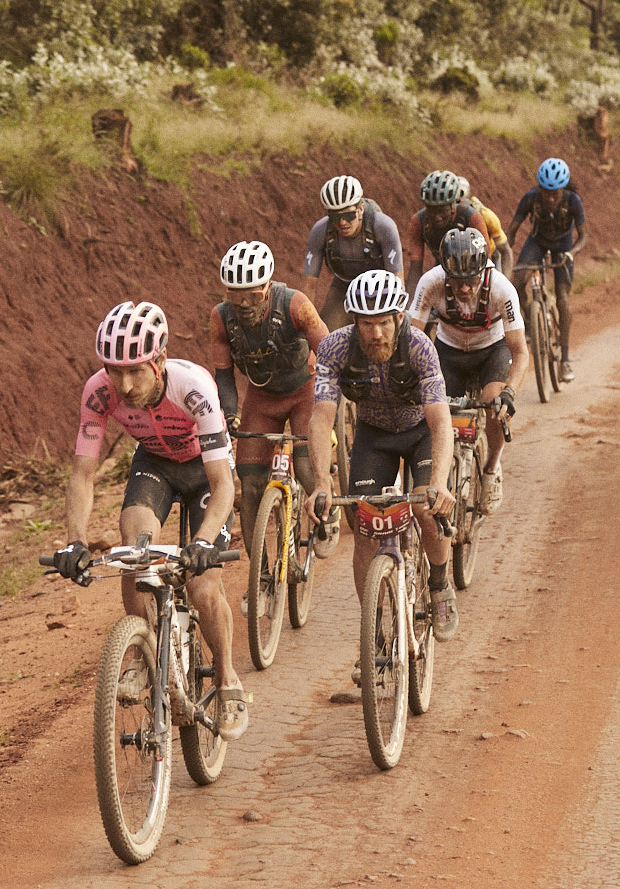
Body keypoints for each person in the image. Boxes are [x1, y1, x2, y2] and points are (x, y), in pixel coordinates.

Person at [61, 300, 249, 739]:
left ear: (159, 361)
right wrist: (75, 540)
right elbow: (82, 474)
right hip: (156, 465)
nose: (124, 385)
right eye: (114, 371)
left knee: (202, 586)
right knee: (134, 549)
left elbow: (223, 484)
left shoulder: (194, 387)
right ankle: (144, 651)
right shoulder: (98, 392)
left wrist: (203, 543)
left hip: (205, 471)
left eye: (135, 371)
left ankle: (227, 679)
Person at [304, 270, 458, 643]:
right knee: (366, 528)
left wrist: (439, 482)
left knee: (426, 508)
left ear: (399, 318)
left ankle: (440, 585)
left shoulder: (420, 347)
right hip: (374, 436)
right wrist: (322, 482)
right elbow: (321, 417)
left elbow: (441, 422)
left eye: (384, 323)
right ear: (354, 321)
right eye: (367, 324)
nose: (376, 333)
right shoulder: (335, 348)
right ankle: (373, 635)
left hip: (420, 432)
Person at [208, 239, 327, 550]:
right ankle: (259, 572)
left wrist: (330, 402)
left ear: (268, 287)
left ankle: (328, 514)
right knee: (249, 485)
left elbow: (329, 354)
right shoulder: (220, 318)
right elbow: (223, 375)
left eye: (253, 295)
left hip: (304, 391)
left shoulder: (295, 304)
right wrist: (229, 413)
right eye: (235, 295)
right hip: (262, 399)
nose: (244, 303)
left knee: (305, 468)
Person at [410, 227, 528, 514]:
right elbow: (411, 339)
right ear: (445, 273)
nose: (464, 289)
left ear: (483, 272)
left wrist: (510, 393)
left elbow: (520, 352)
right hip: (448, 351)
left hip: (492, 350)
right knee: (433, 411)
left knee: (494, 405)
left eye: (471, 280)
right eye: (456, 281)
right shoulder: (431, 282)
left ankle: (491, 469)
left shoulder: (502, 289)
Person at [506, 157, 587, 382]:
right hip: (537, 243)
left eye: (555, 193)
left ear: (563, 190)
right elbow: (512, 230)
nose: (550, 198)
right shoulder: (531, 198)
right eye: (545, 192)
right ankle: (530, 323)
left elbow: (584, 236)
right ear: (539, 188)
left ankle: (565, 361)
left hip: (564, 247)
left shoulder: (573, 201)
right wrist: (506, 252)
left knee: (563, 299)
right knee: (516, 283)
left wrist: (572, 253)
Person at [301, 175, 405, 329]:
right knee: (327, 333)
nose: (342, 222)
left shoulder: (383, 226)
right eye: (335, 217)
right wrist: (305, 326)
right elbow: (309, 285)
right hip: (344, 286)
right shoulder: (320, 231)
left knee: (389, 331)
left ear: (361, 209)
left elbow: (397, 280)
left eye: (349, 215)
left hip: (380, 288)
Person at [404, 170, 490, 297]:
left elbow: (485, 263)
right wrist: (409, 303)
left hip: (477, 265)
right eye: (431, 211)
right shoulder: (418, 222)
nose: (437, 217)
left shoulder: (472, 217)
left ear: (453, 205)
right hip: (446, 264)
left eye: (442, 211)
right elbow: (415, 269)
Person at [454, 175, 513, 275]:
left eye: (458, 203)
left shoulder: (487, 216)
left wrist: (504, 280)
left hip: (490, 256)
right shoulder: (446, 219)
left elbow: (505, 250)